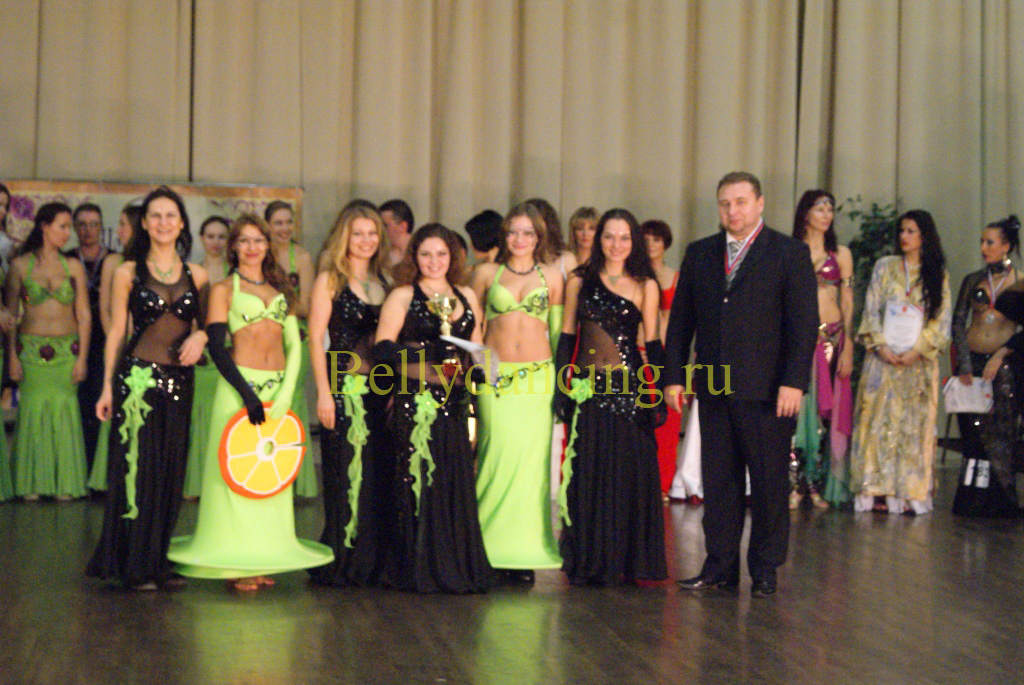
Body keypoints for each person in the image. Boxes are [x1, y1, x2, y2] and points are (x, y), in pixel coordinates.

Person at [666, 171, 818, 598]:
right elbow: (681, 323)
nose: (732, 211)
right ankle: (720, 566)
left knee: (768, 483)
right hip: (715, 386)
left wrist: (794, 382)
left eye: (740, 202)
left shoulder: (789, 253)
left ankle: (765, 568)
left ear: (760, 203)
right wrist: (674, 377)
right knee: (719, 482)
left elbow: (803, 324)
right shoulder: (700, 253)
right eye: (725, 204)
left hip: (768, 390)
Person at [168, 214, 333, 591]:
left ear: (267, 245)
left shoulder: (281, 290)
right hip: (238, 390)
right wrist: (247, 394)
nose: (252, 247)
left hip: (278, 392)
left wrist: (287, 393)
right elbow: (216, 345)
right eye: (244, 240)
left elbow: (295, 345)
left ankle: (263, 556)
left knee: (271, 473)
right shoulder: (224, 289)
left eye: (258, 240)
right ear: (234, 247)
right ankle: (236, 562)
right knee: (235, 471)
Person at [87, 186, 209, 590]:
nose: (163, 223)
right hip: (137, 380)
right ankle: (133, 563)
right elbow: (117, 332)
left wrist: (201, 337)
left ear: (181, 223)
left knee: (171, 471)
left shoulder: (199, 275)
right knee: (137, 469)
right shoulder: (128, 272)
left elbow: (210, 326)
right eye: (155, 215)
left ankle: (157, 560)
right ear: (144, 223)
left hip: (180, 382)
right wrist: (107, 387)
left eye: (170, 215)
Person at [374, 223, 493, 593]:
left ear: (453, 257)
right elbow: (383, 348)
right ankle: (418, 565)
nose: (434, 261)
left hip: (456, 401)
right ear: (415, 257)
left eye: (441, 254)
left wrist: (484, 370)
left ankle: (454, 563)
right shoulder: (403, 295)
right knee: (418, 477)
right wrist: (426, 352)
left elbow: (477, 346)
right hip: (416, 397)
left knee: (453, 478)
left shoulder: (466, 295)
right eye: (425, 254)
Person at [555, 208, 667, 586]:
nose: (616, 244)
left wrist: (658, 393)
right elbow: (567, 337)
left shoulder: (645, 285)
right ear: (598, 239)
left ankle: (626, 561)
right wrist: (561, 388)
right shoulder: (579, 280)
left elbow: (653, 344)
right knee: (590, 474)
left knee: (627, 475)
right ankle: (591, 560)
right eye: (609, 236)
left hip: (628, 390)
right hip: (587, 389)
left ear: (633, 242)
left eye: (624, 237)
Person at [470, 203, 564, 580]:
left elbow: (557, 332)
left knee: (531, 467)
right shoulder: (485, 273)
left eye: (527, 232)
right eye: (513, 232)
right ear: (504, 235)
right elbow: (473, 326)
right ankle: (485, 547)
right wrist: (481, 370)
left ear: (539, 237)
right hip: (496, 378)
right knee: (494, 457)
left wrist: (560, 385)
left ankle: (525, 552)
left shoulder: (553, 276)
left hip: (538, 380)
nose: (520, 239)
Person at [307, 205, 391, 586]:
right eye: (358, 233)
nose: (366, 240)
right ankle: (343, 558)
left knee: (376, 475)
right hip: (343, 389)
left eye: (372, 233)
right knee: (343, 472)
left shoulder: (385, 281)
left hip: (380, 392)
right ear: (345, 237)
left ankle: (373, 559)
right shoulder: (330, 280)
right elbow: (316, 339)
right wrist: (324, 394)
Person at [850, 209, 951, 516]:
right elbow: (870, 309)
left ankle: (909, 493)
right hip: (883, 359)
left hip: (917, 364)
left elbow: (941, 320)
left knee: (913, 426)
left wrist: (918, 349)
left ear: (924, 236)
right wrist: (880, 345)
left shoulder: (937, 274)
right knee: (875, 421)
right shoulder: (885, 266)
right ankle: (873, 490)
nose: (904, 237)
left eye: (911, 231)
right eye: (902, 231)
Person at [5, 202, 91, 500]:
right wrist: (12, 356)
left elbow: (84, 315)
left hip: (67, 351)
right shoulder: (20, 265)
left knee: (65, 412)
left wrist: (82, 358)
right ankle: (30, 484)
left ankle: (65, 484)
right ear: (44, 226)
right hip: (30, 351)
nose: (68, 233)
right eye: (63, 226)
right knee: (31, 412)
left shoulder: (73, 266)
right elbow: (10, 316)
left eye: (70, 227)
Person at [949, 216, 1022, 517]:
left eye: (990, 242)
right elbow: (957, 321)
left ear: (1006, 246)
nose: (983, 248)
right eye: (982, 242)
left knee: (1000, 433)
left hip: (1002, 365)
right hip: (972, 363)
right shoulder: (972, 280)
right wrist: (964, 362)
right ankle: (970, 497)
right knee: (972, 433)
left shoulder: (1020, 282)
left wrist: (1002, 354)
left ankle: (1000, 498)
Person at [790, 191, 855, 509]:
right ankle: (794, 483)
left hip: (833, 337)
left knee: (824, 414)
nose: (827, 214)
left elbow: (848, 298)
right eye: (820, 208)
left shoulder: (841, 254)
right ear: (806, 213)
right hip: (800, 340)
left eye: (830, 208)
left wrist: (849, 344)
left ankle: (816, 483)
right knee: (796, 412)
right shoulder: (790, 250)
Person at [87, 202, 142, 492]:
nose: (118, 230)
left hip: (146, 349)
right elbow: (105, 309)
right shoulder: (113, 261)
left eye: (122, 224)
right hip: (119, 346)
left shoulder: (149, 261)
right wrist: (117, 342)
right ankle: (110, 476)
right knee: (114, 407)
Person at [265, 200, 317, 497]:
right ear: (267, 225)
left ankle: (297, 480)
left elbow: (307, 304)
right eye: (278, 223)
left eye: (288, 222)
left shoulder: (303, 257)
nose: (284, 229)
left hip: (295, 334)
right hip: (262, 337)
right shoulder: (259, 254)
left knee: (291, 399)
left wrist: (278, 314)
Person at [181, 215, 232, 499]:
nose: (216, 242)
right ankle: (194, 484)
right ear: (201, 238)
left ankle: (223, 482)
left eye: (221, 236)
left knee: (224, 414)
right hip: (198, 352)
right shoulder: (192, 271)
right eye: (210, 236)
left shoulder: (235, 272)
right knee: (197, 416)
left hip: (228, 349)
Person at [641, 219, 682, 495]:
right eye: (645, 239)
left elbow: (679, 322)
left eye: (656, 239)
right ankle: (638, 484)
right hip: (637, 354)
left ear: (665, 243)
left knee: (667, 422)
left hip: (667, 355)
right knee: (638, 421)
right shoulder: (634, 276)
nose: (651, 245)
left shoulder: (676, 277)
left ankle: (662, 484)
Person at [72, 203, 109, 471]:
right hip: (71, 338)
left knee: (99, 401)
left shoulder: (114, 259)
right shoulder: (66, 258)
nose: (88, 230)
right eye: (82, 224)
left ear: (101, 227)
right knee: (76, 404)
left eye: (94, 224)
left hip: (105, 338)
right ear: (75, 228)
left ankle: (97, 469)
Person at [380, 199, 415, 267]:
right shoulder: (382, 256)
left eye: (385, 226)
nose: (381, 230)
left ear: (402, 226)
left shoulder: (421, 253)